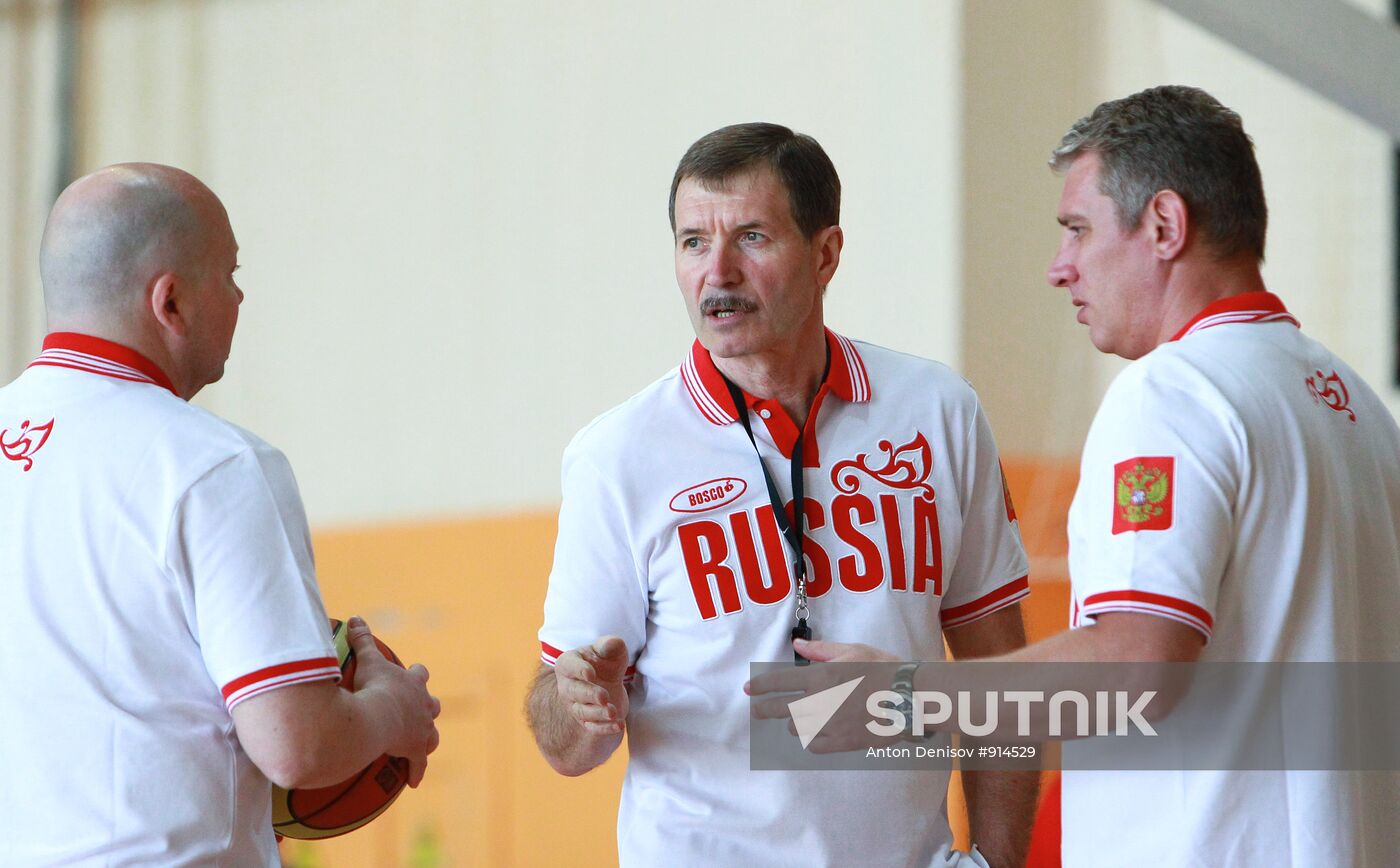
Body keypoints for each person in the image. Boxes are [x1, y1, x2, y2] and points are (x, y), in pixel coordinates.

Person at [754, 86, 1400, 866]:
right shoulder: (1354, 405)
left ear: (1164, 225)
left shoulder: (1174, 395)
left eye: (1077, 230)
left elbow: (1137, 664)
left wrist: (901, 698)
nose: (1061, 268)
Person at [526, 123, 1038, 867]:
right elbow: (563, 745)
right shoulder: (616, 456)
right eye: (693, 241)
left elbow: (1005, 678)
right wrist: (575, 707)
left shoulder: (937, 412)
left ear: (826, 253)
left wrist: (996, 861)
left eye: (753, 237)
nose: (718, 271)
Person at [0, 164, 441, 866]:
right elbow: (299, 747)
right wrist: (392, 712)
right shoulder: (213, 465)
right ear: (169, 301)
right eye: (230, 273)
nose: (240, 296)